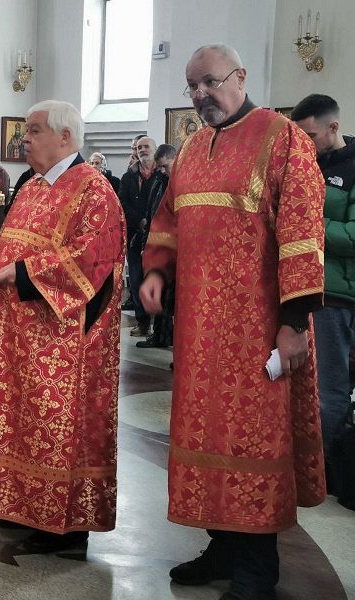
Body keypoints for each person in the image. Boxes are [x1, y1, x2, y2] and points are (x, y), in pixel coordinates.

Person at [139, 44, 326, 600]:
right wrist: (157, 270)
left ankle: (256, 572)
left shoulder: (281, 138)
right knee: (207, 438)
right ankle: (222, 546)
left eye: (209, 82)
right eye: (191, 86)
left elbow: (302, 232)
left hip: (257, 330)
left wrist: (294, 323)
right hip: (199, 333)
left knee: (252, 445)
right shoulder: (193, 149)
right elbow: (168, 218)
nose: (200, 95)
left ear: (240, 77)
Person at [0, 100, 125, 554]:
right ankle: (20, 507)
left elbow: (94, 259)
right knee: (17, 421)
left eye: (33, 131)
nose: (23, 139)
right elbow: (10, 244)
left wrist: (23, 274)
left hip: (63, 339)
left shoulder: (94, 189)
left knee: (55, 427)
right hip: (17, 331)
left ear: (65, 137)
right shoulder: (31, 186)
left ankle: (62, 529)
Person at [291, 94, 355, 503]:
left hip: (337, 294)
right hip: (308, 288)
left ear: (333, 127)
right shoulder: (307, 164)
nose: (305, 145)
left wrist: (307, 221)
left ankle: (327, 467)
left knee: (329, 388)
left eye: (310, 136)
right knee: (307, 385)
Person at [135, 143, 176, 349]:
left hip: (175, 251)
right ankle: (159, 336)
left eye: (165, 166)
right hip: (159, 245)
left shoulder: (181, 183)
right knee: (161, 296)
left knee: (172, 300)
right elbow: (152, 215)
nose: (162, 171)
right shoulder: (160, 182)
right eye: (159, 167)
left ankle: (170, 339)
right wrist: (147, 244)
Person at [119, 135, 157, 336]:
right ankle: (142, 323)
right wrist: (139, 221)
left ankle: (159, 328)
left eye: (146, 146)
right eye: (139, 147)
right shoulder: (128, 177)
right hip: (135, 235)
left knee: (156, 279)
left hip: (157, 234)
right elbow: (122, 203)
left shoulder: (161, 175)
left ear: (154, 149)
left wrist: (149, 222)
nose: (142, 150)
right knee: (135, 278)